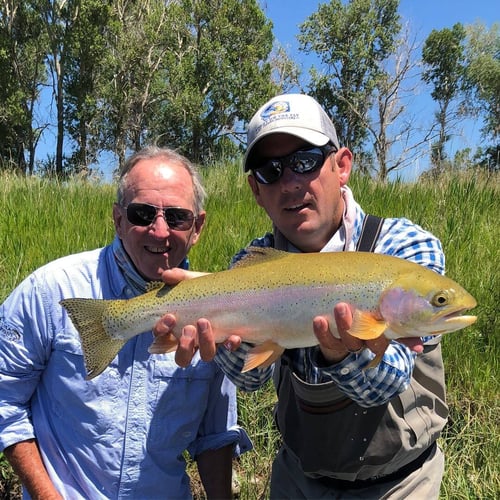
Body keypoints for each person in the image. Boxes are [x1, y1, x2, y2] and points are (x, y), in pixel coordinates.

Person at [154, 94, 448, 499]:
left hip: (399, 482)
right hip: (299, 479)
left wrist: (343, 354)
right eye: (270, 171)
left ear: (341, 165)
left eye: (305, 161)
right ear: (256, 191)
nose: (290, 182)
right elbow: (251, 378)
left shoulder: (405, 250)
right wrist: (216, 326)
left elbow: (390, 381)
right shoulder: (252, 264)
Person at [0, 146, 251, 499]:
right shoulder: (50, 291)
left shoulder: (218, 308)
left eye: (177, 217)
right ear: (118, 219)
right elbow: (5, 399)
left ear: (198, 227)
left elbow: (215, 433)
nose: (159, 231)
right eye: (142, 214)